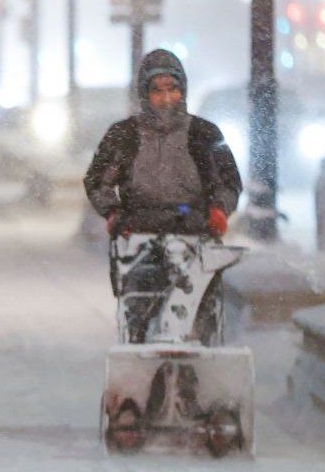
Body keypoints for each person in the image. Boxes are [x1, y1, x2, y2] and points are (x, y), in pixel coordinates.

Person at [84, 49, 242, 343]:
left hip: (195, 237)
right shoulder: (124, 135)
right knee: (141, 322)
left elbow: (228, 182)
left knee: (198, 321)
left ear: (183, 90)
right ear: (145, 94)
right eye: (157, 91)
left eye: (173, 89)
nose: (166, 98)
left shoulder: (204, 134)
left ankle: (198, 376)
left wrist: (219, 211)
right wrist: (113, 214)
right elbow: (97, 181)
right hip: (140, 241)